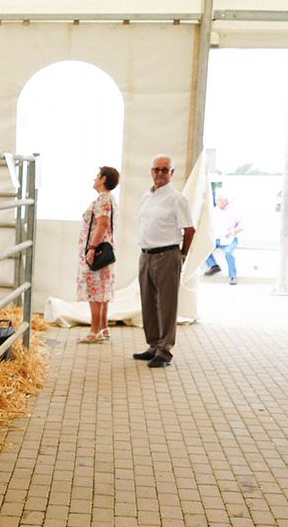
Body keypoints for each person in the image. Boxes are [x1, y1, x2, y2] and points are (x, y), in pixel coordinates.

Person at [132, 155, 194, 368]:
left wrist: (182, 255)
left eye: (164, 170)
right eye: (156, 169)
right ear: (151, 171)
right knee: (148, 301)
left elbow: (189, 229)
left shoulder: (177, 199)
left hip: (167, 254)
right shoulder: (146, 196)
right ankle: (153, 345)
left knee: (167, 304)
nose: (160, 173)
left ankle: (165, 350)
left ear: (172, 173)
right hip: (146, 254)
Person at [78, 165, 119, 342]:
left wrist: (92, 249)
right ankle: (103, 327)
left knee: (95, 290)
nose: (94, 179)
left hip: (98, 249)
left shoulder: (103, 200)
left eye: (97, 176)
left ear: (103, 179)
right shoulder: (109, 198)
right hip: (106, 249)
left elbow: (102, 225)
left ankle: (95, 330)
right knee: (103, 289)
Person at [202, 193, 241, 284]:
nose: (217, 201)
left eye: (220, 200)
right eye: (217, 200)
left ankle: (233, 277)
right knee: (203, 248)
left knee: (228, 253)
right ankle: (214, 266)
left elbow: (241, 226)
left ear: (226, 201)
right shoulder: (213, 211)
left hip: (229, 238)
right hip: (215, 237)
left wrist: (232, 232)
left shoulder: (234, 211)